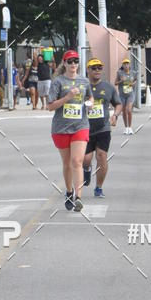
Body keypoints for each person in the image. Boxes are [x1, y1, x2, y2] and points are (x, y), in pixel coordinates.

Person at [47, 50, 93, 211]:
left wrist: (90, 103)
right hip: (61, 127)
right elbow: (50, 106)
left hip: (80, 126)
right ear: (64, 63)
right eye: (70, 61)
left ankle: (78, 197)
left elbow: (90, 97)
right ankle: (69, 191)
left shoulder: (84, 81)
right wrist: (67, 97)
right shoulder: (58, 82)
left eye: (76, 61)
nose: (73, 64)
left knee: (77, 161)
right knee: (67, 163)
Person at [83, 58, 121, 197]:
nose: (97, 70)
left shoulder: (108, 87)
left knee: (102, 156)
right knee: (86, 159)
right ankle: (86, 170)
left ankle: (98, 188)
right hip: (84, 128)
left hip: (103, 128)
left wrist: (115, 115)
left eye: (99, 68)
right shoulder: (82, 86)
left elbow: (118, 103)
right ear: (88, 70)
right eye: (94, 68)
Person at [115, 57, 136, 135]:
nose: (126, 65)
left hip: (130, 94)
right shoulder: (119, 73)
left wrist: (133, 83)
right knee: (124, 111)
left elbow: (135, 80)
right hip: (122, 95)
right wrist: (121, 81)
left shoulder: (133, 72)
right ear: (123, 65)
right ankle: (126, 127)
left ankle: (130, 127)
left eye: (127, 64)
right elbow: (115, 83)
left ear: (129, 65)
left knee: (129, 110)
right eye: (125, 64)